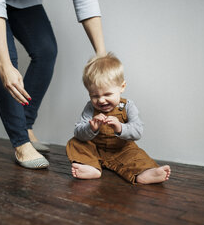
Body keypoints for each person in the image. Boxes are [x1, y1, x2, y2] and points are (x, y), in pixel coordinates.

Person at [0, 0, 106, 169]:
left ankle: (26, 124)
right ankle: (21, 142)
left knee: (46, 51)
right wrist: (4, 64)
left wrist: (101, 54)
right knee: (5, 56)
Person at [66, 53, 171, 184]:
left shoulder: (128, 106)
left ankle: (144, 173)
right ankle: (91, 167)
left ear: (122, 87)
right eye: (94, 96)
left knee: (136, 156)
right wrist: (90, 128)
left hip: (122, 150)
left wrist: (120, 127)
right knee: (75, 142)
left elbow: (138, 131)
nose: (101, 100)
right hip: (96, 151)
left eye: (107, 94)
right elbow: (78, 131)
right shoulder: (90, 108)